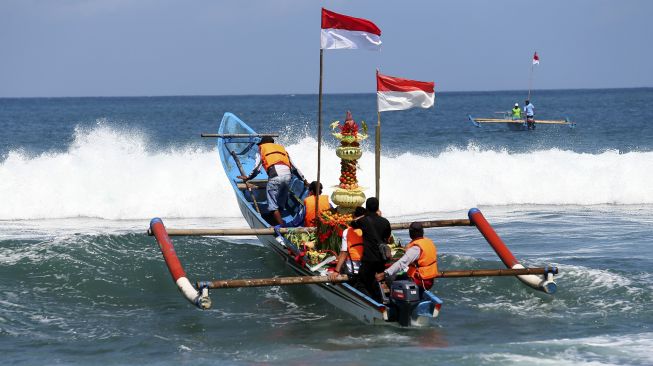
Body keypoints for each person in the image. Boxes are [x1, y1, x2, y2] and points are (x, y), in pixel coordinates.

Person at [238, 136, 308, 226]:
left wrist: (248, 178)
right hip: (288, 177)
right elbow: (294, 168)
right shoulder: (282, 150)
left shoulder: (262, 149)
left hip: (275, 177)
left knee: (273, 205)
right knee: (281, 202)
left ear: (263, 143)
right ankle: (276, 217)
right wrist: (304, 180)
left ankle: (282, 227)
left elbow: (257, 169)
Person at [349, 197, 392, 303]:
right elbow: (387, 238)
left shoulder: (363, 221)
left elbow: (352, 223)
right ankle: (384, 300)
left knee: (361, 282)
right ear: (377, 208)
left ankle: (373, 303)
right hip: (381, 259)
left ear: (366, 208)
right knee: (379, 280)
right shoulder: (385, 221)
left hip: (369, 259)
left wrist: (365, 215)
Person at [375, 222, 438, 293]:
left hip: (419, 280)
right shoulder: (428, 242)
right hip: (429, 280)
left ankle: (393, 299)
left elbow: (402, 263)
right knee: (401, 275)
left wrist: (385, 273)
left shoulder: (415, 248)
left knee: (390, 277)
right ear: (422, 232)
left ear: (410, 233)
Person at [328, 206, 367, 283]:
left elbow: (344, 253)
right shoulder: (369, 229)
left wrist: (336, 271)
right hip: (367, 269)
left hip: (352, 270)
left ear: (353, 217)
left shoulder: (347, 231)